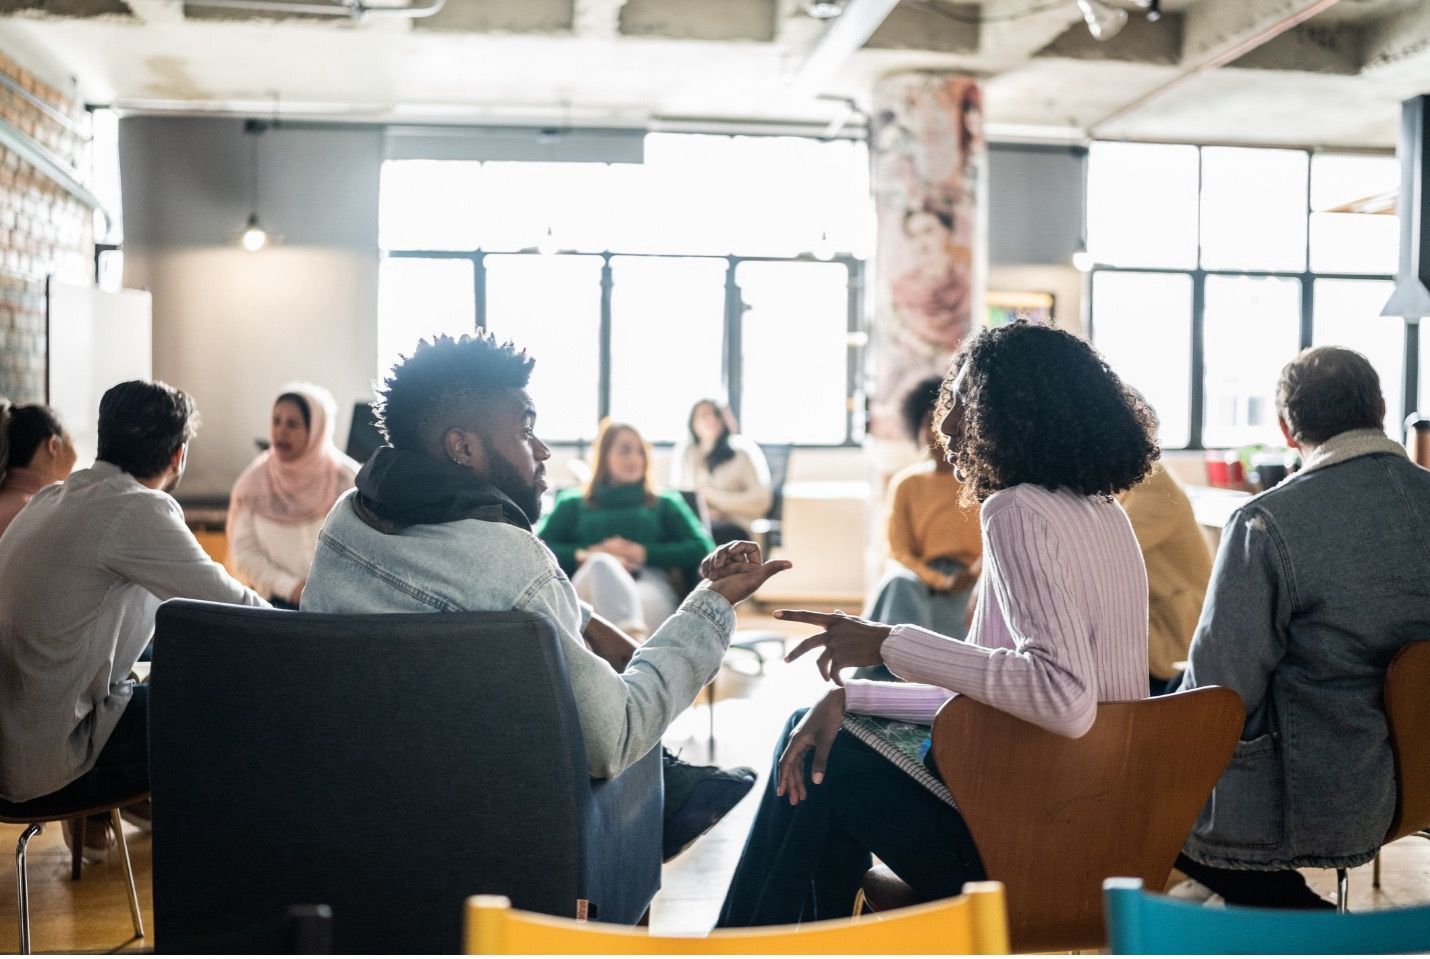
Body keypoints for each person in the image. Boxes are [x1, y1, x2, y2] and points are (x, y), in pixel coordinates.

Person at [717, 322, 1158, 927]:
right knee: (820, 735)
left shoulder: (1016, 510)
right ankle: (773, 939)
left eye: (960, 401)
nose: (945, 425)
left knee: (822, 766)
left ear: (1005, 414)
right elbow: (993, 695)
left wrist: (888, 642)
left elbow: (1062, 698)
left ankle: (744, 940)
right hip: (1099, 828)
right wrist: (851, 694)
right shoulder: (1103, 512)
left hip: (1034, 840)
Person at [302, 334, 787, 861]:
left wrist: (579, 617)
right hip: (503, 838)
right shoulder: (516, 563)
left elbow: (465, 584)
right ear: (462, 447)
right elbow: (616, 736)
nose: (542, 449)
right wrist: (712, 603)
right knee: (636, 730)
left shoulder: (344, 522)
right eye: (526, 430)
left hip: (352, 818)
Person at [1171, 346, 1430, 910]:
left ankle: (1305, 923)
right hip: (1419, 774)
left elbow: (1219, 691)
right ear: (1380, 407)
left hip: (1329, 790)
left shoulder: (1267, 522)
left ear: (1287, 430)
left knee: (1147, 783)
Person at [0, 380, 267, 858]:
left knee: (157, 670)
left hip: (11, 749)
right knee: (229, 698)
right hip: (47, 764)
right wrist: (316, 637)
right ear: (178, 456)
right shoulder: (137, 509)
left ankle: (122, 815)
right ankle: (230, 861)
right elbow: (234, 606)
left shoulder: (52, 499)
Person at [539, 420, 715, 640]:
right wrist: (584, 555)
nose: (635, 459)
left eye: (640, 451)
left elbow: (703, 548)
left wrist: (641, 552)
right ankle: (634, 662)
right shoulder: (572, 503)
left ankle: (618, 661)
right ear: (604, 457)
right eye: (625, 450)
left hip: (647, 582)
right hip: (588, 585)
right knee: (601, 565)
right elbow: (537, 548)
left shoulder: (664, 502)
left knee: (635, 605)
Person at [864, 375, 981, 644]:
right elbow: (899, 551)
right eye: (929, 422)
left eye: (944, 420)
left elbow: (993, 546)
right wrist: (939, 580)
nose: (937, 431)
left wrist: (970, 576)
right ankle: (890, 674)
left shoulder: (980, 484)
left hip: (971, 580)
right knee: (899, 583)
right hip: (921, 580)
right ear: (916, 427)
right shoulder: (906, 484)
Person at [227, 384, 359, 608]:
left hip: (342, 604)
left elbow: (364, 545)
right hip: (277, 604)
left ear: (316, 429)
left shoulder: (347, 479)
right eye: (276, 421)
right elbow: (245, 553)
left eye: (293, 424)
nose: (281, 432)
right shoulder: (254, 483)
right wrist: (290, 587)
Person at [1117, 460, 1212, 695]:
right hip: (1153, 624)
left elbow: (1104, 548)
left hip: (1171, 634)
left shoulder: (1154, 486)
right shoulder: (1132, 482)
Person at [671, 399, 773, 545]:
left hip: (736, 524)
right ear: (693, 422)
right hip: (698, 522)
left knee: (700, 540)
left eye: (716, 414)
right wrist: (703, 513)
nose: (711, 419)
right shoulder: (687, 451)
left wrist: (715, 499)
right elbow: (680, 496)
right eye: (704, 415)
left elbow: (761, 500)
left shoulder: (743, 451)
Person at [0, 403, 77, 538]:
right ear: (53, 446)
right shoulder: (37, 511)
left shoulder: (8, 501)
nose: (77, 455)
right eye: (72, 441)